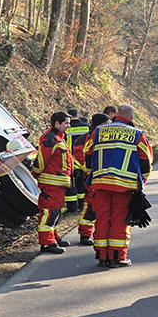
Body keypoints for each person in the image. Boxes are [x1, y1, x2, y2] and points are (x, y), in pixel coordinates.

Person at [83, 104, 153, 267]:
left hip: (100, 183)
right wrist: (142, 181)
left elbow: (88, 155)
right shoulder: (137, 134)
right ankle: (116, 257)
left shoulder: (98, 131)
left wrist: (92, 175)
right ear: (131, 117)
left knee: (102, 219)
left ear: (115, 115)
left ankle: (101, 256)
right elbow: (146, 161)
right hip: (125, 186)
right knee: (120, 221)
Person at [32, 111, 74, 254]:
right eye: (66, 123)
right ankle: (47, 243)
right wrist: (35, 173)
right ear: (57, 123)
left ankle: (53, 237)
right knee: (50, 212)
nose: (69, 126)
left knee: (56, 213)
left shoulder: (58, 137)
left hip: (58, 184)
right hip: (51, 183)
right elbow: (41, 160)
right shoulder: (50, 138)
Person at [76, 112, 110, 246]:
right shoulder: (86, 138)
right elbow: (80, 158)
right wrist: (90, 171)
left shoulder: (103, 136)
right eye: (106, 124)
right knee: (90, 207)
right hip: (91, 179)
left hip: (102, 177)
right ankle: (85, 234)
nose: (108, 126)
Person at [63, 108, 90, 213]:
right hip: (83, 160)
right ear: (78, 115)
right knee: (82, 184)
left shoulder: (66, 127)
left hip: (70, 160)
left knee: (71, 185)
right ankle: (82, 206)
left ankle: (72, 208)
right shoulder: (86, 127)